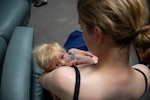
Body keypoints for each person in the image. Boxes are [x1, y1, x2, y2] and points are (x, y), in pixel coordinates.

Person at [39, 0, 150, 99]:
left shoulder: (65, 79)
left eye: (83, 28)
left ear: (97, 34)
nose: (83, 34)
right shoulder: (144, 74)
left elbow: (42, 79)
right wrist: (95, 61)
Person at [33, 43, 98, 72]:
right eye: (57, 65)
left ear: (65, 52)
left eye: (62, 57)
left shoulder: (74, 55)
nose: (63, 63)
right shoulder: (59, 74)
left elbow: (90, 57)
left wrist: (86, 57)